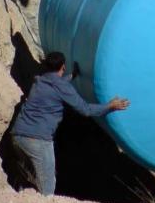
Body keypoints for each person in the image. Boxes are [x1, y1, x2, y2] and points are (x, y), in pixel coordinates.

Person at [11, 51, 130, 195]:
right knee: (48, 184)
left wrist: (72, 76)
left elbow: (57, 83)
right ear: (63, 66)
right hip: (38, 140)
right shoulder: (62, 87)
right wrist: (110, 106)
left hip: (18, 136)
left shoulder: (40, 81)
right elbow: (85, 110)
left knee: (28, 176)